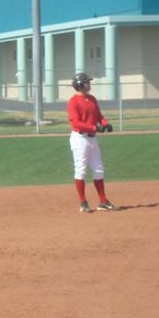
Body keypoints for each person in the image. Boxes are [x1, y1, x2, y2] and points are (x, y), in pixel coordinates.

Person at [66, 72, 116, 213]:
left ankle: (103, 201)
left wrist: (105, 124)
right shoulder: (73, 101)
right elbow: (76, 122)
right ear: (79, 85)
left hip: (92, 138)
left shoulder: (92, 99)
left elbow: (99, 116)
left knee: (98, 169)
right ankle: (83, 203)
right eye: (86, 82)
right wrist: (95, 127)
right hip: (79, 138)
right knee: (80, 169)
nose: (89, 84)